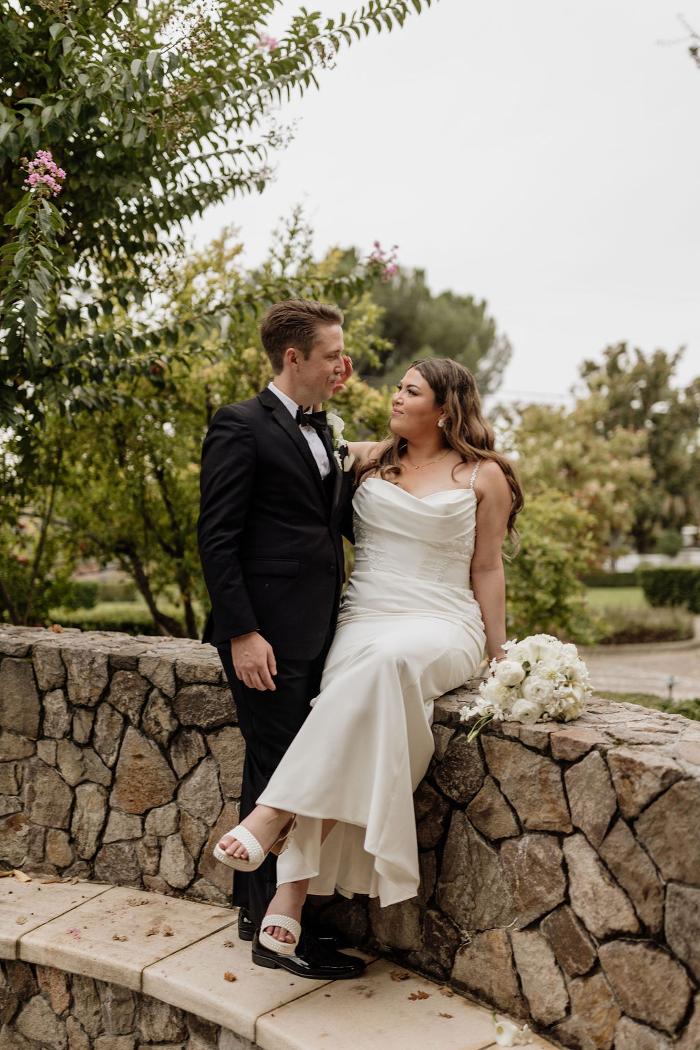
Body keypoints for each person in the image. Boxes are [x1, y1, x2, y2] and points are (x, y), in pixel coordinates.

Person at [214, 356, 523, 975]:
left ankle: (275, 832)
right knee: (365, 703)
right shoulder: (364, 459)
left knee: (382, 667)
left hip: (442, 621)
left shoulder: (483, 475)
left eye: (411, 391)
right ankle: (287, 897)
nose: (395, 398)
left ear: (445, 409)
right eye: (398, 388)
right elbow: (285, 478)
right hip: (363, 618)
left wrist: (499, 654)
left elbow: (487, 567)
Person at [197, 298, 363, 981]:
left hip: (317, 629)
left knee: (276, 765)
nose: (343, 366)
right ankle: (276, 936)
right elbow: (216, 537)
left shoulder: (324, 428)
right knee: (282, 771)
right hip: (264, 633)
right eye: (332, 356)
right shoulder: (240, 424)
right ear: (293, 357)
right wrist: (243, 632)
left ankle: (253, 915)